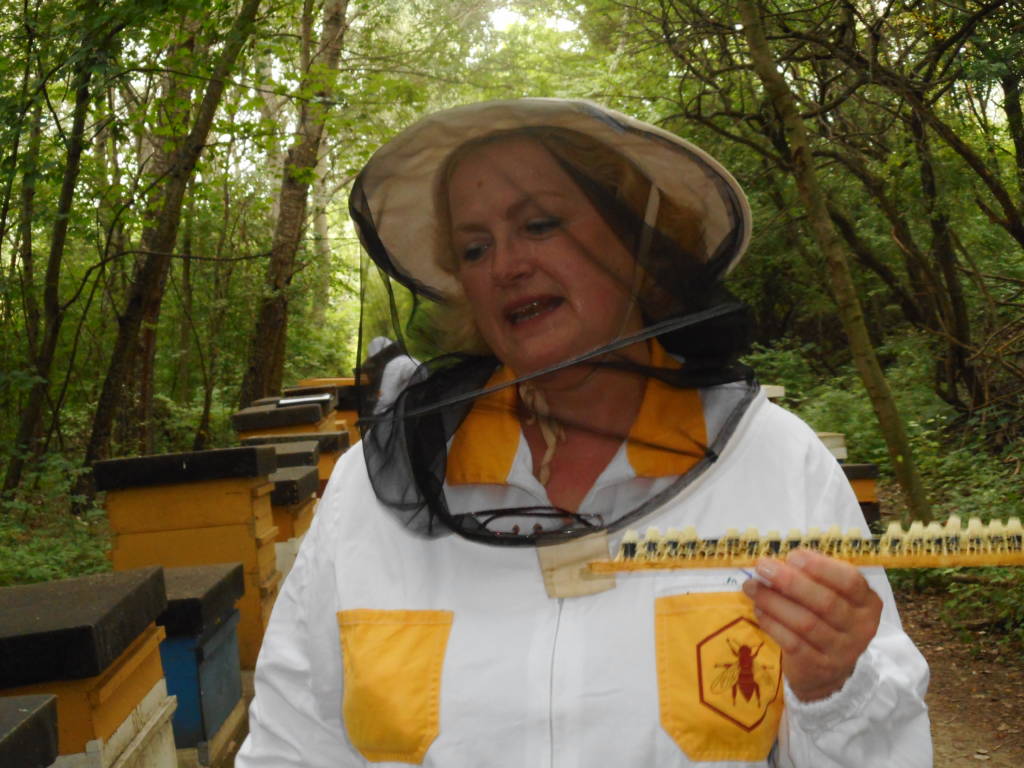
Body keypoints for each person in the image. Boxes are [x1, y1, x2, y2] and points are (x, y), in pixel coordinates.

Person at [237, 99, 931, 767]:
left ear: (637, 242)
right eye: (473, 248)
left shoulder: (777, 466)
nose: (505, 264)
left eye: (539, 225)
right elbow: (295, 745)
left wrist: (833, 686)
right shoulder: (372, 491)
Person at [362, 336, 422, 413]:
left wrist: (373, 416)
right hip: (421, 405)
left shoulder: (393, 366)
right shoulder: (408, 359)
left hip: (411, 411)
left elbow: (386, 400)